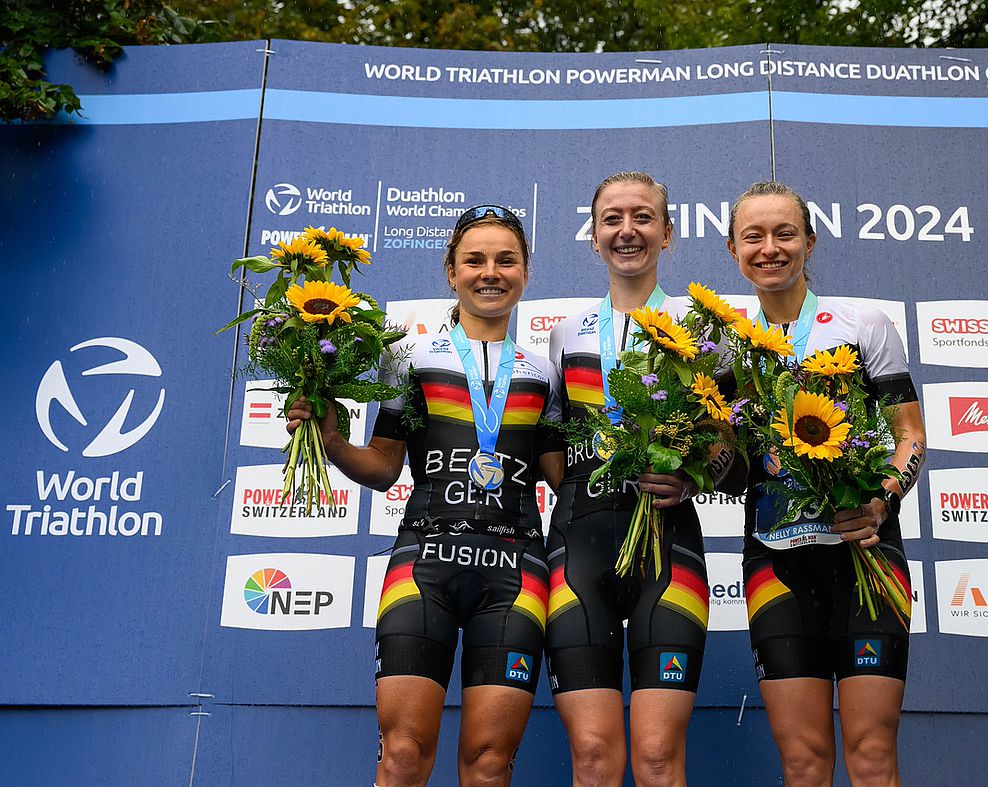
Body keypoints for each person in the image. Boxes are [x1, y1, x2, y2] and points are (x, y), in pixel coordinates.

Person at [287, 205, 564, 787]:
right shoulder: (407, 358)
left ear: (526, 273)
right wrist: (332, 439)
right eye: (475, 260)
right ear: (450, 271)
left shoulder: (545, 372)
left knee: (490, 764)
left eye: (506, 260)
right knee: (404, 754)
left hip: (517, 572)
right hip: (424, 564)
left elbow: (565, 480)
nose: (490, 272)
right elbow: (385, 468)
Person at [726, 181, 927, 787]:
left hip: (866, 557)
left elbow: (910, 434)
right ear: (733, 250)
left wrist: (881, 500)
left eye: (785, 233)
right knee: (805, 763)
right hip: (775, 562)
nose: (770, 248)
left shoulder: (862, 323)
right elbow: (728, 464)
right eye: (753, 236)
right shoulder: (724, 346)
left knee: (870, 756)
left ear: (809, 242)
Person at [545, 172, 740, 787]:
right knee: (595, 760)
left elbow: (729, 452)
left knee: (658, 759)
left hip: (670, 545)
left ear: (668, 234)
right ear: (593, 235)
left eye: (642, 217)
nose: (627, 230)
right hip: (581, 543)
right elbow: (551, 450)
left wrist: (693, 480)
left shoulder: (706, 333)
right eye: (612, 218)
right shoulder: (564, 334)